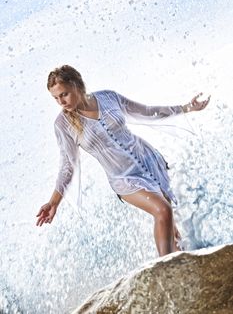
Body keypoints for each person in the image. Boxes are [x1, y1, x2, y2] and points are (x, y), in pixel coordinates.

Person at [36, 65, 210, 256]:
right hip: (124, 179)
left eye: (64, 94)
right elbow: (68, 165)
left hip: (150, 161)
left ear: (77, 85)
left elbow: (147, 111)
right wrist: (54, 202)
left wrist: (185, 108)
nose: (61, 102)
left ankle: (187, 271)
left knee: (173, 231)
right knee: (162, 210)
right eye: (56, 98)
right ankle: (164, 271)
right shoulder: (63, 125)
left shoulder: (108, 97)